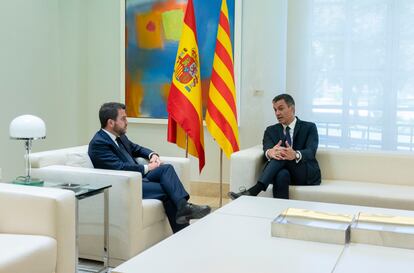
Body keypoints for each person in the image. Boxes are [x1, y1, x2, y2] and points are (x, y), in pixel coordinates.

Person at [88, 102, 211, 233]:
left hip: (138, 177)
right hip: (125, 184)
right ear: (111, 123)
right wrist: (148, 167)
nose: (127, 121)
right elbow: (119, 167)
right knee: (167, 191)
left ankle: (183, 207)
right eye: (123, 119)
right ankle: (183, 231)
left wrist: (152, 155)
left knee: (166, 168)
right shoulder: (98, 143)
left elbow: (137, 149)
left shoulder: (120, 137)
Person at [229, 94, 321, 199]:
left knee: (282, 153)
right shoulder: (270, 130)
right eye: (275, 110)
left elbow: (311, 151)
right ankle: (281, 212)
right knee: (281, 174)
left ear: (292, 109)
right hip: (281, 171)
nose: (277, 113)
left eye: (281, 109)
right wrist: (270, 152)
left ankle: (256, 189)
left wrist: (295, 154)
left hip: (304, 172)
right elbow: (266, 148)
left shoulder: (309, 127)